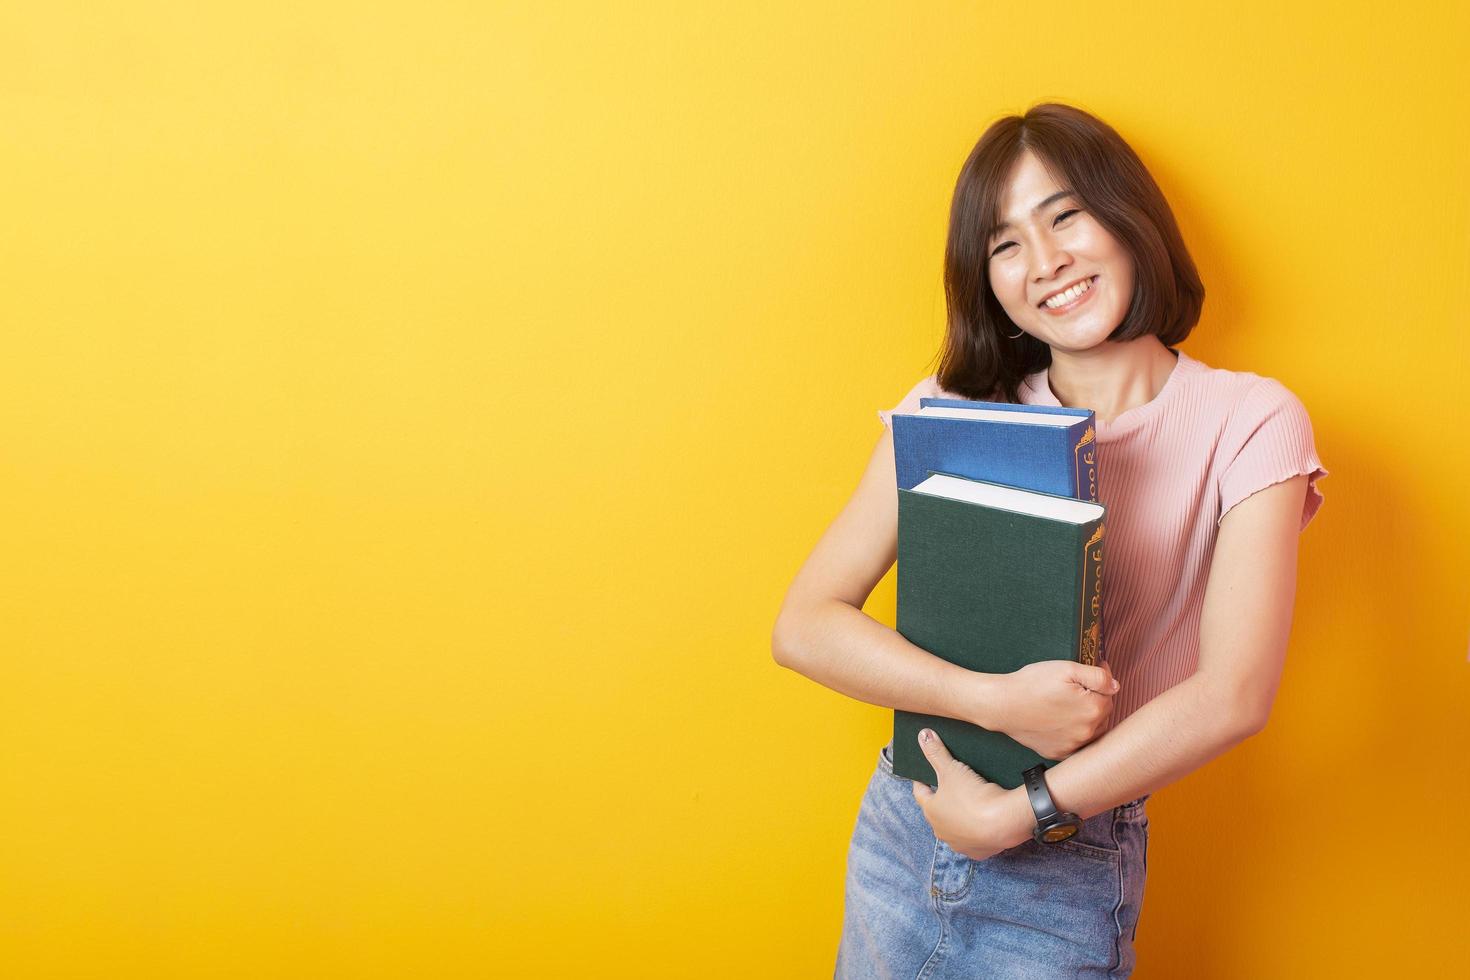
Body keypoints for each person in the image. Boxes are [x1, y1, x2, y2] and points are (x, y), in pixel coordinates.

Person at [769, 102, 1328, 979]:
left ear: (1127, 214)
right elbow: (804, 624)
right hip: (905, 829)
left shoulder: (1250, 420)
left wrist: (1019, 813)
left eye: (1065, 215)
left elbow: (1234, 694)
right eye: (1006, 244)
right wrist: (991, 701)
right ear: (985, 279)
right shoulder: (952, 408)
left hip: (1069, 858)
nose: (1047, 262)